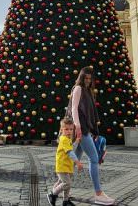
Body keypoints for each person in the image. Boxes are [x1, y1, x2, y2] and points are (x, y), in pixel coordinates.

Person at [68, 66, 115, 205]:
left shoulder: (88, 91)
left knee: (72, 160)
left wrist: (93, 130)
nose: (88, 81)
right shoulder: (78, 89)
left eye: (90, 78)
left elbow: (90, 112)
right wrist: (77, 127)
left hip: (85, 129)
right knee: (94, 159)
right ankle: (98, 194)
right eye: (85, 78)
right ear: (81, 78)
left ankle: (59, 187)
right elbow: (74, 108)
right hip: (80, 129)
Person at [47, 117, 83, 206]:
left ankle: (65, 201)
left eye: (71, 129)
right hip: (62, 166)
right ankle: (52, 194)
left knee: (63, 183)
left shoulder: (68, 139)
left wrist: (77, 142)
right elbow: (70, 152)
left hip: (67, 166)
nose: (69, 131)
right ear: (61, 129)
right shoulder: (63, 139)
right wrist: (77, 162)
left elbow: (72, 148)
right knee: (67, 183)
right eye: (66, 129)